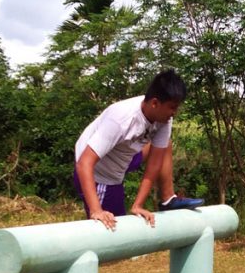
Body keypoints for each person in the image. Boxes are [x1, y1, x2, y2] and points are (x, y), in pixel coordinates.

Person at [74, 69, 203, 230]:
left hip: (126, 155)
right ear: (155, 103)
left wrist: (138, 205)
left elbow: (155, 164)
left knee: (165, 145)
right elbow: (84, 163)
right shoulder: (121, 119)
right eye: (172, 107)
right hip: (99, 173)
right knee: (112, 232)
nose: (174, 113)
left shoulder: (164, 120)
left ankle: (168, 199)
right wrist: (96, 210)